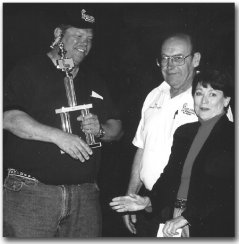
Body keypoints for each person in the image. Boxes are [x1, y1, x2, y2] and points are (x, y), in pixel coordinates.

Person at [3, 8, 122, 237]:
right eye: (77, 36)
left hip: (85, 197)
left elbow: (117, 127)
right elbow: (8, 118)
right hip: (32, 194)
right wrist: (58, 137)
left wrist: (101, 130)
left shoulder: (94, 79)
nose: (84, 44)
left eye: (89, 39)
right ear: (58, 34)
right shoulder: (28, 70)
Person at [110, 68, 235, 237]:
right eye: (199, 93)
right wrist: (148, 201)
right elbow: (169, 176)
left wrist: (188, 217)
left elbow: (225, 190)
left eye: (213, 94)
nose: (204, 100)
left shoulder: (231, 135)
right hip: (172, 218)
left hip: (210, 224)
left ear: (226, 100)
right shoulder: (184, 132)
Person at [121, 32, 201, 236]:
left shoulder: (207, 99)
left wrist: (191, 215)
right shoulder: (154, 94)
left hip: (184, 209)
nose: (169, 65)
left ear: (196, 59)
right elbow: (142, 148)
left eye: (178, 58)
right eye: (164, 58)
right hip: (149, 204)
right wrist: (131, 195)